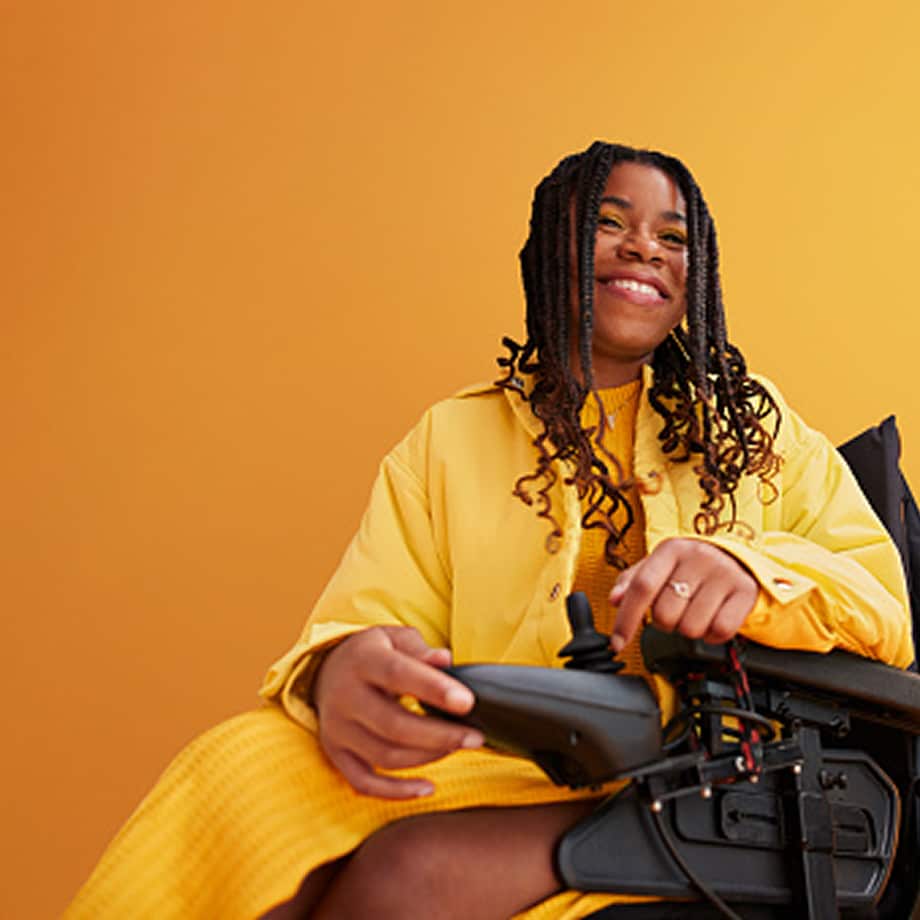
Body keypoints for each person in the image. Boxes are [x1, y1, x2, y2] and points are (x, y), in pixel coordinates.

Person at [66, 142, 914, 920]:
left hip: (708, 775)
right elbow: (374, 618)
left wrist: (752, 572)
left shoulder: (759, 437)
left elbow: (883, 604)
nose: (644, 248)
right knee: (243, 779)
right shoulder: (451, 439)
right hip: (516, 758)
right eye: (610, 223)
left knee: (410, 878)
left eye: (673, 237)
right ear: (551, 252)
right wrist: (339, 671)